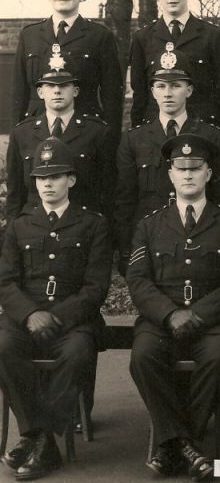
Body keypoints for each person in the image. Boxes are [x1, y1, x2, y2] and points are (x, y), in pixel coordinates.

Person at [127, 134, 220, 481]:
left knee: (217, 357)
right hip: (161, 321)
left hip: (212, 322)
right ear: (170, 175)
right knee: (142, 357)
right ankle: (187, 444)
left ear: (208, 174)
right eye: (180, 169)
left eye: (195, 169)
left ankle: (172, 443)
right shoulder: (149, 225)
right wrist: (169, 313)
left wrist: (197, 314)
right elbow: (137, 280)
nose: (187, 175)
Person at [0, 138, 111, 480]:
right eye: (40, 177)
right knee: (2, 346)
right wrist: (30, 314)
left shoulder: (93, 225)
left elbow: (96, 287)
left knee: (78, 352)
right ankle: (42, 438)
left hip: (73, 320)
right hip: (24, 318)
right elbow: (5, 281)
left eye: (56, 175)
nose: (47, 183)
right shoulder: (19, 225)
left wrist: (57, 316)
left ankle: (36, 438)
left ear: (71, 180)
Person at [115, 43, 220, 275]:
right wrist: (128, 250)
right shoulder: (134, 139)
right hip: (151, 243)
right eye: (161, 86)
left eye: (176, 85)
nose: (168, 93)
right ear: (153, 91)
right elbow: (125, 202)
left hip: (201, 241)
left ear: (189, 90)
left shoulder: (212, 136)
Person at [12, 0, 123, 154]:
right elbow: (18, 93)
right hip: (37, 131)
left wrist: (110, 141)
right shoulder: (29, 36)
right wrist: (17, 137)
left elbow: (112, 96)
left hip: (85, 134)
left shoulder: (100, 36)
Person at [129, 0, 220, 145]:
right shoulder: (142, 38)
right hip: (156, 134)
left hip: (201, 133)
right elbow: (140, 96)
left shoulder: (213, 36)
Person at [6, 48, 112, 222]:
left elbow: (107, 189)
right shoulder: (22, 133)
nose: (57, 91)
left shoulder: (97, 132)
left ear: (75, 91)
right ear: (40, 92)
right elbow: (15, 194)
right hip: (34, 227)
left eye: (64, 85)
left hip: (83, 226)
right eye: (50, 85)